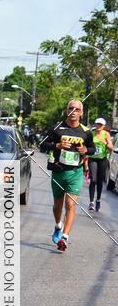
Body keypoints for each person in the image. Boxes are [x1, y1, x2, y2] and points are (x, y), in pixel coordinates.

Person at [41, 100, 95, 252]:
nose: (73, 111)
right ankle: (58, 225)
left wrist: (85, 150)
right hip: (58, 172)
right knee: (58, 205)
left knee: (70, 205)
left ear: (81, 113)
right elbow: (42, 144)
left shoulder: (85, 131)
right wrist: (56, 146)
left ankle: (65, 237)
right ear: (67, 110)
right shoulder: (57, 128)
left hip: (75, 173)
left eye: (77, 109)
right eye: (71, 108)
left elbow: (92, 149)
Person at [87, 117, 114, 212]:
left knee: (99, 181)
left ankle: (98, 200)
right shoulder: (91, 134)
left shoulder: (106, 134)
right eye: (97, 124)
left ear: (103, 126)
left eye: (100, 125)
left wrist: (106, 143)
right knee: (93, 180)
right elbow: (87, 146)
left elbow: (111, 148)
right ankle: (91, 202)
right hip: (93, 159)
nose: (98, 126)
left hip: (103, 160)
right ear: (95, 124)